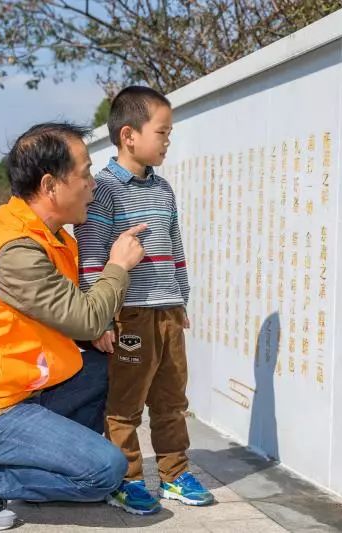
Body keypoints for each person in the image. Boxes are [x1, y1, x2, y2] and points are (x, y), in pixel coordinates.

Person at [0, 122, 147, 531]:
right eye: (84, 173)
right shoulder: (16, 249)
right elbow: (87, 314)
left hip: (24, 389)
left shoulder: (49, 235)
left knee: (103, 367)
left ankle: (54, 458)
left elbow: (69, 317)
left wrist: (92, 331)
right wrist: (118, 266)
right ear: (51, 185)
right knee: (104, 472)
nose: (92, 185)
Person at [75, 86, 215, 516]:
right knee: (124, 405)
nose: (168, 140)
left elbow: (175, 245)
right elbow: (93, 254)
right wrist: (100, 319)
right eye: (163, 132)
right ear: (129, 135)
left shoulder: (164, 189)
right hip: (128, 315)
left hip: (167, 311)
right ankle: (128, 478)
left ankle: (174, 474)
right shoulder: (102, 190)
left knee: (172, 400)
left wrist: (181, 297)